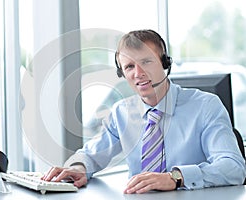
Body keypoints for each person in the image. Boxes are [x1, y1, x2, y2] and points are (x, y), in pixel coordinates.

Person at [42, 29, 246, 194]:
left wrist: (175, 177)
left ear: (165, 63)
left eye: (147, 62)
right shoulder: (122, 112)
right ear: (122, 73)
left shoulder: (206, 106)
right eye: (130, 66)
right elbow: (93, 154)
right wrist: (79, 168)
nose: (138, 73)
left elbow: (233, 167)